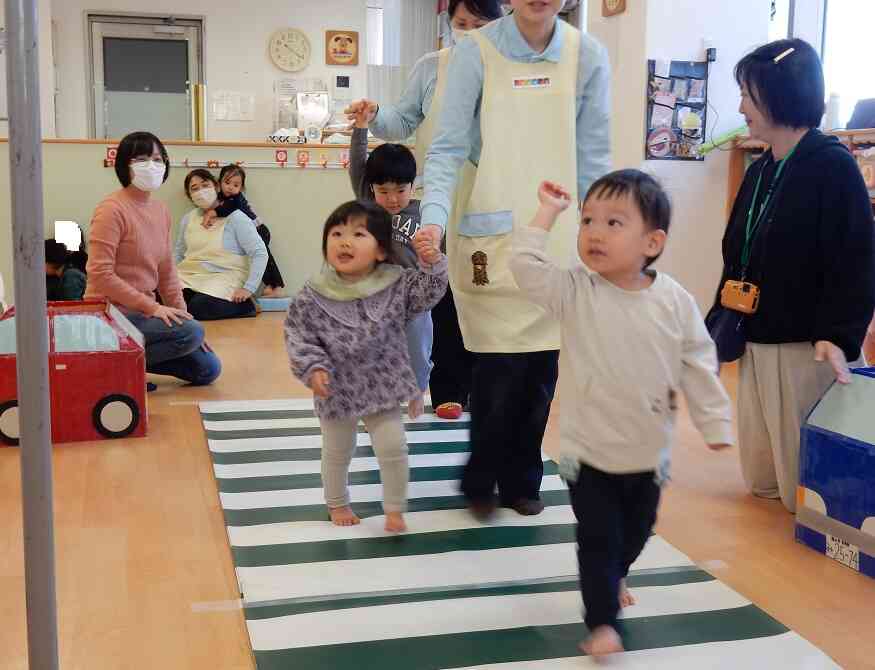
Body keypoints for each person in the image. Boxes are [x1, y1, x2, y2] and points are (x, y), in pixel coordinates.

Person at [511, 172, 733, 658]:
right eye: (588, 220)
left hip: (647, 453)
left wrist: (714, 420)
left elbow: (697, 361)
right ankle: (602, 621)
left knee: (636, 530)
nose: (594, 232)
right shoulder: (576, 290)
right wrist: (547, 214)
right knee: (597, 536)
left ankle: (618, 573)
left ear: (652, 242)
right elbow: (525, 267)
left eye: (614, 222)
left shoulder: (673, 300)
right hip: (585, 451)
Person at [419, 0, 612, 517]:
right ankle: (485, 467)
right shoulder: (475, 52)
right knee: (498, 366)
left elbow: (594, 157)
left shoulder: (587, 54)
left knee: (542, 368)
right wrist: (433, 217)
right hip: (491, 230)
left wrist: (601, 234)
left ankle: (522, 476)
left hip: (560, 234)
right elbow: (447, 149)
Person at [709, 38, 875, 513]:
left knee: (803, 493)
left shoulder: (833, 166)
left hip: (806, 345)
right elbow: (735, 255)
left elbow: (855, 260)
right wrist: (713, 328)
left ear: (779, 93)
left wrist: (838, 335)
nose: (740, 105)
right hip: (756, 337)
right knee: (762, 481)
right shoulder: (763, 170)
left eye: (747, 93)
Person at [345, 0, 504, 419]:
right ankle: (448, 389)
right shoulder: (432, 66)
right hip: (440, 192)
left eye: (480, 24)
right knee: (443, 290)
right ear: (448, 23)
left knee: (485, 289)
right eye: (461, 23)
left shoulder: (510, 67)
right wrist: (376, 115)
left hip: (492, 191)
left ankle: (480, 386)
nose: (468, 31)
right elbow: (403, 120)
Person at [284, 200, 447, 533]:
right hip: (337, 389)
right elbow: (299, 335)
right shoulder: (313, 294)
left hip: (382, 384)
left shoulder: (397, 283)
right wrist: (313, 367)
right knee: (338, 450)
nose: (345, 241)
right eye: (337, 233)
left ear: (381, 251)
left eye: (359, 234)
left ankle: (394, 508)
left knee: (393, 446)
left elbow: (429, 294)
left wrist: (432, 263)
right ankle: (337, 502)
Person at [85, 131, 221, 388]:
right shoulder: (111, 210)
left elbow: (168, 272)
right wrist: (154, 309)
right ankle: (114, 370)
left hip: (142, 316)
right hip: (108, 315)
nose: (152, 165)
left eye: (158, 159)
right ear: (125, 165)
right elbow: (100, 274)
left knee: (208, 369)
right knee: (191, 334)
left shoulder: (160, 210)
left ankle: (123, 365)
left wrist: (184, 315)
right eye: (142, 158)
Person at [348, 110, 435, 419]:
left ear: (413, 186)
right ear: (372, 189)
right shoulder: (370, 206)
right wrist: (360, 128)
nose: (392, 198)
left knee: (417, 348)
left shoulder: (424, 213)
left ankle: (416, 390)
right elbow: (358, 165)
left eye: (400, 190)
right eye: (383, 190)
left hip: (412, 297)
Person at [175, 169, 268, 321]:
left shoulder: (236, 217)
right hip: (190, 275)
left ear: (216, 187)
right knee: (161, 297)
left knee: (199, 307)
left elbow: (259, 252)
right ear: (190, 196)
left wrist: (248, 288)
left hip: (225, 276)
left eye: (205, 185)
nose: (201, 192)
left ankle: (248, 305)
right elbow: (179, 252)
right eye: (195, 188)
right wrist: (169, 280)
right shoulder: (188, 219)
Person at [201, 164, 286, 297]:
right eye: (227, 182)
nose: (230, 187)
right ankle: (272, 284)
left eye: (236, 185)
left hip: (259, 230)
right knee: (257, 258)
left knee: (264, 257)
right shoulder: (220, 197)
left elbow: (227, 209)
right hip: (249, 231)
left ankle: (275, 285)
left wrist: (213, 212)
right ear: (219, 183)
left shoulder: (237, 199)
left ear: (241, 188)